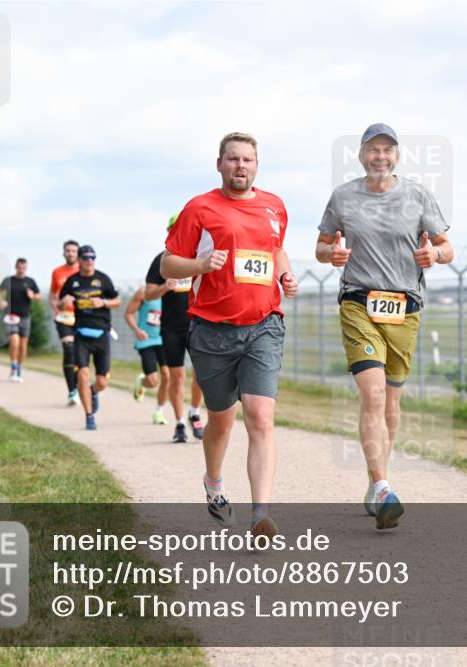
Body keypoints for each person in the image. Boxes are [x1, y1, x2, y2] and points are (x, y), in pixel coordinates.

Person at [315, 123, 453, 530]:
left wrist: (435, 255)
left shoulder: (417, 195)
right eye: (373, 150)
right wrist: (331, 255)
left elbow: (446, 247)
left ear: (397, 156)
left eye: (387, 150)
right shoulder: (343, 197)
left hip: (404, 307)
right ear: (360, 155)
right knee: (372, 394)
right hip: (359, 301)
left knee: (391, 403)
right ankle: (382, 486)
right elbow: (322, 246)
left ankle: (377, 480)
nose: (380, 156)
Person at [162, 131, 298, 540]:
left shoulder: (274, 206)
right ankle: (215, 483)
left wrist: (285, 275)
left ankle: (261, 514)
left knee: (260, 416)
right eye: (234, 159)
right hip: (212, 331)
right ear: (219, 164)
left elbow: (275, 250)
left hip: (263, 324)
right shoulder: (199, 209)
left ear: (256, 165)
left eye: (248, 160)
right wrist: (200, 265)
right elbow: (169, 265)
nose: (241, 166)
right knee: (221, 421)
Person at [146, 221, 207, 443]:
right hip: (171, 327)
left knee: (202, 374)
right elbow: (148, 294)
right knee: (177, 376)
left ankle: (195, 412)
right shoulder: (162, 260)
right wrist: (165, 287)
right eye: (174, 229)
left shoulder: (200, 257)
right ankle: (180, 423)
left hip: (198, 324)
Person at [58, 245, 121, 430]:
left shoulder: (102, 279)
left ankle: (93, 392)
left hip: (102, 334)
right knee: (83, 375)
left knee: (102, 382)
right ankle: (89, 415)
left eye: (93, 257)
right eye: (86, 258)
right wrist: (64, 303)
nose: (90, 261)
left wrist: (104, 302)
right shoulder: (72, 281)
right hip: (81, 335)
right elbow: (60, 305)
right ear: (79, 260)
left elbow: (117, 301)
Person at [124, 285, 170, 425]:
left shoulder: (171, 293)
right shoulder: (143, 292)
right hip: (146, 340)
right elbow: (128, 313)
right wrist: (137, 330)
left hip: (164, 339)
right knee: (152, 381)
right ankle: (142, 382)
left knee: (167, 376)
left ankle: (159, 412)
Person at [0, 258, 41, 382]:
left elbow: (38, 297)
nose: (21, 269)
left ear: (26, 268)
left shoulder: (30, 281)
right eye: (19, 267)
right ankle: (13, 366)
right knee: (14, 340)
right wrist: (1, 301)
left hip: (25, 316)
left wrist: (34, 296)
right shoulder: (8, 280)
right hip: (11, 315)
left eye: (24, 267)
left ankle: (20, 367)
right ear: (16, 267)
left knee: (23, 344)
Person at [50, 240, 81, 404]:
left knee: (79, 354)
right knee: (69, 350)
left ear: (78, 253)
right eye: (68, 251)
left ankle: (79, 384)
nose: (70, 253)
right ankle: (72, 390)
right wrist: (56, 310)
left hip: (81, 318)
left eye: (73, 251)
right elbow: (53, 295)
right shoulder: (57, 272)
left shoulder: (83, 271)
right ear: (63, 253)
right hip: (64, 318)